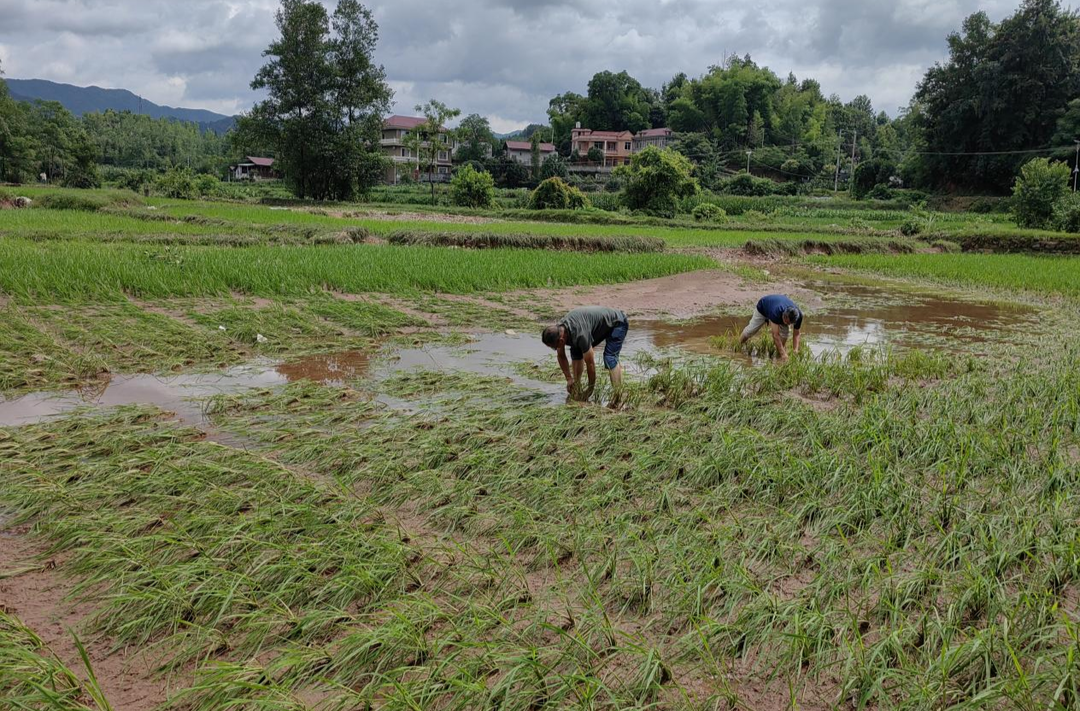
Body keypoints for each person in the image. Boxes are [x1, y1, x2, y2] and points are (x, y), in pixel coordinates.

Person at [542, 306, 628, 398]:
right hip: (593, 325)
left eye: (555, 347)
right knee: (576, 352)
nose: (555, 349)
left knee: (609, 358)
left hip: (617, 322)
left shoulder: (581, 335)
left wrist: (590, 390)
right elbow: (561, 356)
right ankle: (577, 388)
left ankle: (619, 396)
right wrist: (569, 379)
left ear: (561, 341)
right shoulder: (559, 331)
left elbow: (590, 364)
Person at [739, 294, 803, 361]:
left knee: (784, 334)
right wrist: (783, 354)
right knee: (751, 331)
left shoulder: (799, 316)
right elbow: (775, 335)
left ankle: (778, 356)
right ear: (784, 315)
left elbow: (796, 334)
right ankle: (738, 344)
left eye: (788, 323)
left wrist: (795, 350)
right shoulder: (776, 312)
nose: (786, 324)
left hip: (776, 307)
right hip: (763, 307)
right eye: (785, 321)